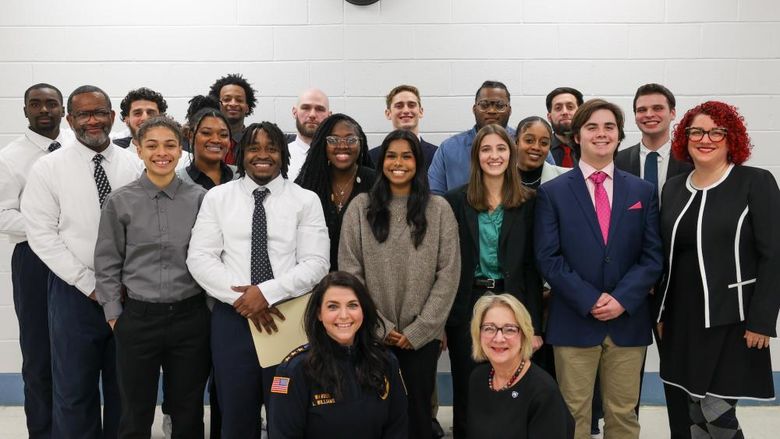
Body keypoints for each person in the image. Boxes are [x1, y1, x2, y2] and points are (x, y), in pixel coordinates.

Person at [187, 120, 329, 439]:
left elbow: (316, 264)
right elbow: (200, 258)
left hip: (289, 318)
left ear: (282, 154)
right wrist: (246, 301)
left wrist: (265, 293)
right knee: (236, 415)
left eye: (271, 148)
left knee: (289, 413)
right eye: (254, 148)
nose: (262, 155)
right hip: (232, 319)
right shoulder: (218, 198)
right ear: (241, 154)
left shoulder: (305, 201)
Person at [534, 99, 663, 439]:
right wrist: (590, 299)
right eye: (592, 127)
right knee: (572, 414)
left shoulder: (642, 191)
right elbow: (549, 258)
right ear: (577, 136)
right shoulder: (553, 192)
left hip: (628, 319)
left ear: (620, 136)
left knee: (623, 414)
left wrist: (622, 299)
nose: (601, 134)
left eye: (609, 127)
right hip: (574, 319)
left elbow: (652, 257)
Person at [21, 85, 143, 438]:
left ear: (113, 116)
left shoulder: (134, 165)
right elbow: (42, 235)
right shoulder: (48, 168)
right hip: (75, 293)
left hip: (127, 294)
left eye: (100, 112)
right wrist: (90, 285)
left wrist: (126, 282)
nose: (93, 121)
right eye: (84, 115)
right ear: (70, 120)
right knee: (74, 391)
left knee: (126, 391)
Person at [656, 101, 780, 438]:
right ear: (685, 138)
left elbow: (773, 255)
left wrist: (762, 320)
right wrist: (662, 313)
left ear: (731, 138)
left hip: (735, 321)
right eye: (696, 131)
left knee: (716, 412)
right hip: (684, 320)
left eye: (716, 131)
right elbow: (670, 258)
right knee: (694, 410)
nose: (705, 138)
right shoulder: (674, 188)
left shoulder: (755, 182)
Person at [339, 129, 460, 439]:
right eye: (391, 155)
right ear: (381, 163)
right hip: (371, 335)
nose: (398, 162)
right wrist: (378, 326)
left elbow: (448, 274)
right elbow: (350, 273)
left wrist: (420, 330)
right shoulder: (360, 208)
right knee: (372, 412)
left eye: (407, 156)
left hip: (420, 339)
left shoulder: (439, 209)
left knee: (418, 413)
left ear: (418, 163)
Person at [94, 116, 210, 438]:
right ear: (138, 149)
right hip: (138, 319)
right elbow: (107, 262)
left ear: (181, 148)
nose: (162, 152)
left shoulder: (200, 199)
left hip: (190, 318)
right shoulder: (120, 201)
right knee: (135, 411)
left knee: (187, 410)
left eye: (170, 145)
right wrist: (115, 316)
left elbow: (213, 258)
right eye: (152, 145)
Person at [443, 124, 542, 439]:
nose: (494, 155)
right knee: (467, 386)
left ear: (511, 154)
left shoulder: (529, 201)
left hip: (512, 303)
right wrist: (443, 322)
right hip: (469, 304)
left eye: (501, 149)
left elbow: (531, 268)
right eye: (486, 149)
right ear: (476, 156)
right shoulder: (455, 201)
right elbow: (447, 265)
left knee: (509, 384)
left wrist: (535, 325)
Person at [615, 83, 692, 438]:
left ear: (672, 113)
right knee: (623, 376)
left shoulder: (692, 159)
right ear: (634, 116)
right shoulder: (620, 160)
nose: (649, 115)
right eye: (642, 109)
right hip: (629, 285)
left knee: (678, 374)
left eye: (657, 108)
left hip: (678, 286)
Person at [0, 82, 70, 438]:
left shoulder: (77, 148)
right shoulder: (10, 157)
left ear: (63, 110)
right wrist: (49, 225)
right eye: (36, 104)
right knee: (40, 353)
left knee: (75, 353)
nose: (44, 110)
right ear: (25, 110)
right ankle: (43, 431)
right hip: (34, 259)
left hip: (77, 257)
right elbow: (2, 214)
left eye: (52, 104)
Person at [269, 271, 408, 438]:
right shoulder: (293, 370)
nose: (344, 315)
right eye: (332, 306)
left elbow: (397, 428)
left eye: (352, 305)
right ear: (319, 313)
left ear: (363, 310)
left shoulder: (385, 361)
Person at [467, 293, 573, 439]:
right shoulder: (478, 379)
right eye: (489, 328)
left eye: (509, 329)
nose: (498, 338)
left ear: (524, 335)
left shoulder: (543, 392)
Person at [295, 113, 375, 272]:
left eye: (351, 139)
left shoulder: (376, 183)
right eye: (333, 140)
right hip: (314, 283)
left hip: (365, 282)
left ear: (361, 144)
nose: (343, 145)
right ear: (322, 145)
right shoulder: (307, 185)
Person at [428, 80, 515, 195]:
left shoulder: (526, 144)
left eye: (499, 105)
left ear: (510, 110)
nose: (492, 111)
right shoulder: (448, 149)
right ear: (474, 110)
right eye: (484, 105)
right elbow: (434, 197)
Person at [369, 84, 438, 171]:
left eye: (411, 105)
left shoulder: (438, 154)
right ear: (388, 113)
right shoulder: (372, 157)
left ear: (421, 112)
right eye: (399, 106)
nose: (406, 110)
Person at [178, 95, 236, 189]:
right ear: (191, 136)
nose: (216, 140)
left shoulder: (241, 177)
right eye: (206, 133)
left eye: (223, 135)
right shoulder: (176, 181)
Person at [208, 73, 257, 163]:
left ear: (247, 107)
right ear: (216, 105)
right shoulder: (204, 141)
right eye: (227, 99)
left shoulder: (256, 141)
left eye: (239, 100)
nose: (233, 104)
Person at [287, 88, 332, 181]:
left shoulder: (339, 158)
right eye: (306, 108)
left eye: (320, 109)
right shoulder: (280, 157)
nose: (312, 115)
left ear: (329, 115)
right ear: (295, 112)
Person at [514, 116, 569, 189]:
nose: (536, 147)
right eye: (529, 141)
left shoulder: (565, 178)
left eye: (544, 143)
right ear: (517, 142)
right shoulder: (501, 177)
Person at [545, 87, 583, 168]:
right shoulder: (542, 149)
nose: (565, 112)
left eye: (570, 107)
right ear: (549, 117)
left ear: (581, 113)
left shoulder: (592, 147)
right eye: (558, 108)